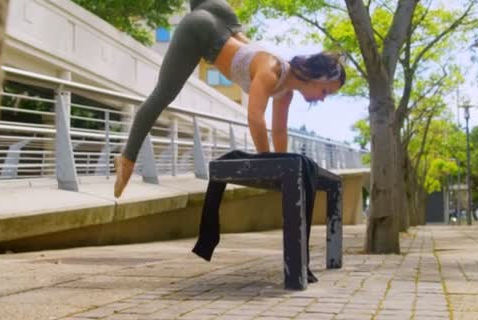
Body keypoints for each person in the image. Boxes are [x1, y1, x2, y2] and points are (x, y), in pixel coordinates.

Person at [114, 0, 347, 198]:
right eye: (326, 91)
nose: (323, 99)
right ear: (317, 77)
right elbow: (255, 118)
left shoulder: (285, 92)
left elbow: (278, 132)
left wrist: (284, 168)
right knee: (162, 95)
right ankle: (127, 159)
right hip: (202, 31)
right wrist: (268, 164)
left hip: (224, 22)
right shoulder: (271, 70)